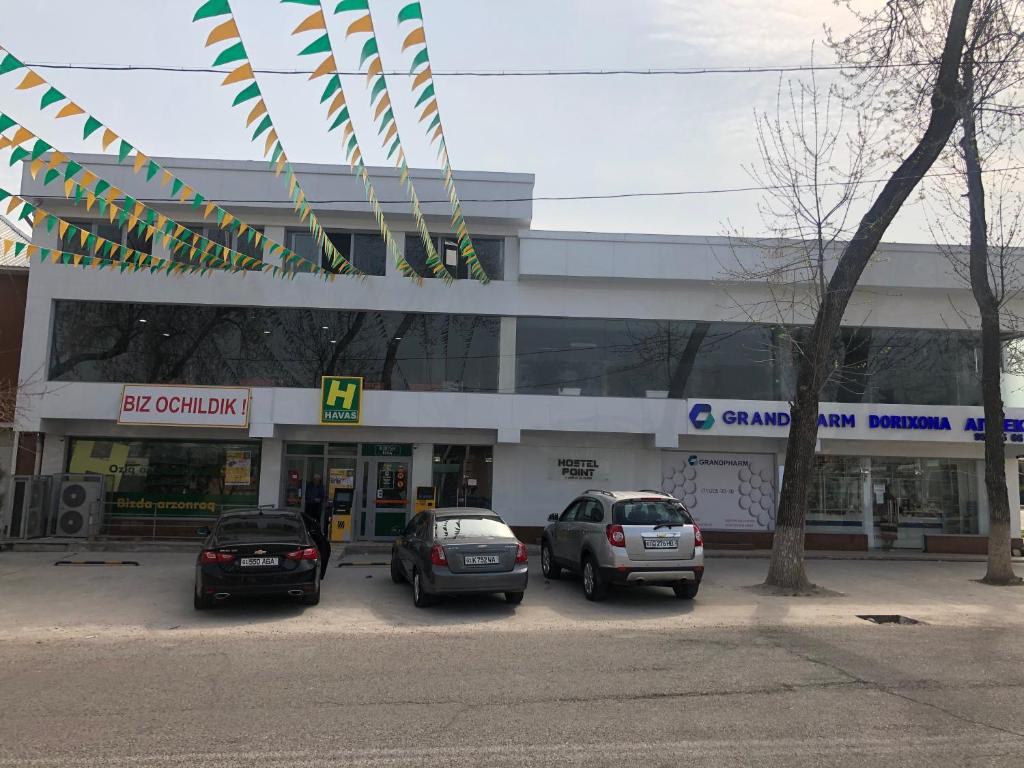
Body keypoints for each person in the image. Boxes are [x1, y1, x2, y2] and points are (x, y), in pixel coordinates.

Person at [302, 474, 330, 579]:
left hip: (317, 507)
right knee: (308, 520)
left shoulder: (320, 487)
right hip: (309, 506)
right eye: (315, 479)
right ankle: (308, 532)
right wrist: (311, 500)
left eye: (317, 479)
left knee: (315, 522)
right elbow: (307, 495)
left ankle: (316, 533)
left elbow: (323, 496)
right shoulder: (309, 486)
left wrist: (318, 500)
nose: (316, 481)